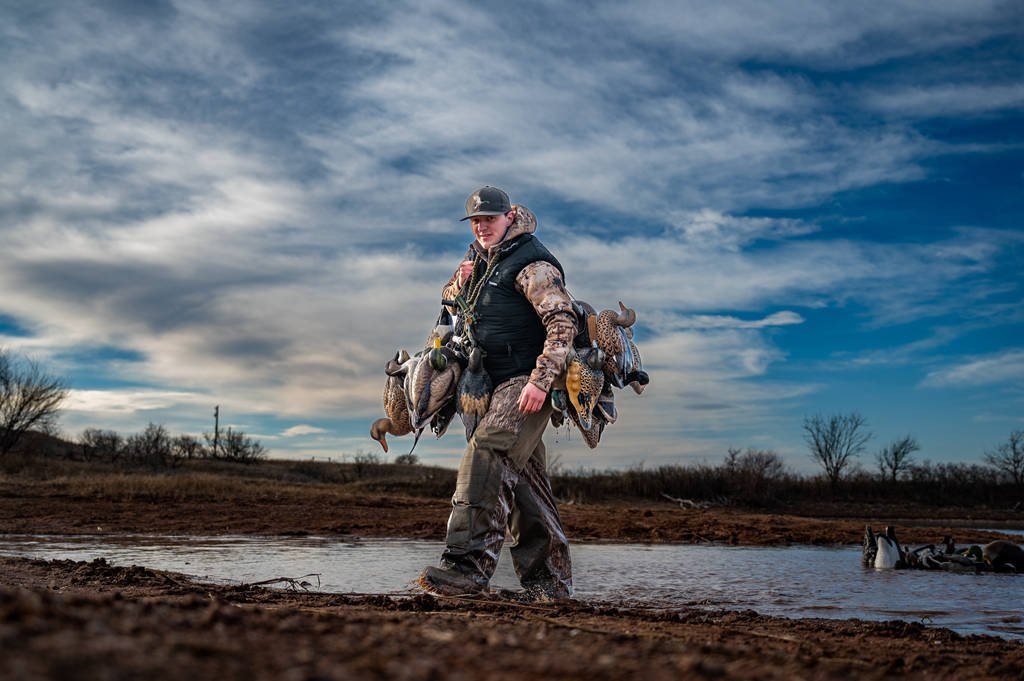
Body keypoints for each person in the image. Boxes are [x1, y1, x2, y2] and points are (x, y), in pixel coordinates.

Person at [416, 186, 576, 600]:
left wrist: (541, 383)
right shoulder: (476, 259)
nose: (482, 226)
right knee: (526, 483)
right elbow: (449, 305)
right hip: (488, 380)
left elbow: (562, 322)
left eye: (490, 218)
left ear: (510, 216)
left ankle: (467, 568)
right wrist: (457, 286)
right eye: (475, 220)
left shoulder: (532, 264)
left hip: (526, 380)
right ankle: (550, 586)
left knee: (487, 452)